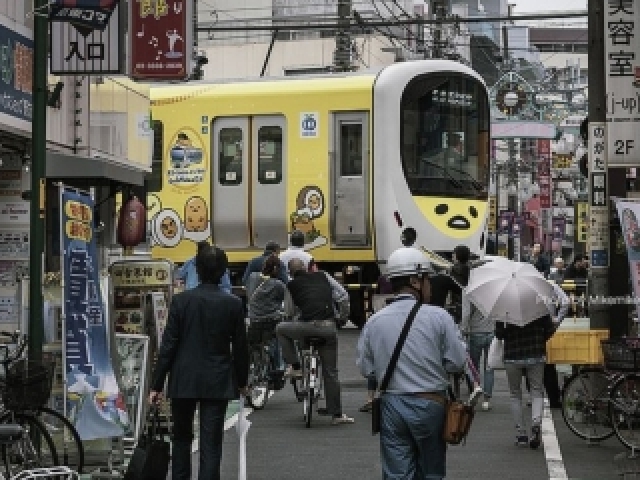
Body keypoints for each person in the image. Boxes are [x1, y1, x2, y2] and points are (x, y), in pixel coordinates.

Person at [356, 246, 467, 479]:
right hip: (430, 404)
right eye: (428, 279)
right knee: (431, 472)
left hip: (391, 405)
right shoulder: (439, 317)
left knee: (397, 474)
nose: (430, 286)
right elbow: (457, 362)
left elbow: (367, 369)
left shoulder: (375, 321)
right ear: (416, 281)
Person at [149, 245, 249, 480]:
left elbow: (169, 346)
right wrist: (242, 381)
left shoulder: (181, 302)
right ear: (224, 271)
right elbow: (241, 349)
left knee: (181, 438)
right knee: (211, 442)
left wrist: (156, 384)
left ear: (197, 269)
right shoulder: (233, 304)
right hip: (217, 378)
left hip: (184, 378)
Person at [276, 258, 354, 425]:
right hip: (328, 327)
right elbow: (343, 296)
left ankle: (296, 367)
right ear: (306, 268)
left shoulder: (291, 285)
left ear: (290, 273)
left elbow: (289, 311)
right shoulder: (323, 276)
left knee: (281, 329)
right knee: (331, 372)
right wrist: (342, 318)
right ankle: (337, 414)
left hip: (305, 328)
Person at [494, 312, 555, 449]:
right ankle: (535, 424)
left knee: (515, 394)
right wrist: (539, 339)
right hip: (535, 352)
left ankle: (521, 434)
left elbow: (498, 334)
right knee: (536, 391)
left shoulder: (504, 307)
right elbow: (550, 330)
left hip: (513, 355)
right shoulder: (538, 305)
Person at [246, 253, 288, 371]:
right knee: (276, 339)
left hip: (253, 319)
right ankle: (278, 366)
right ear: (276, 269)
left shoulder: (252, 277)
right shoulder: (278, 284)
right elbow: (284, 300)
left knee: (253, 342)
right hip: (271, 319)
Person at [460, 291, 496, 411]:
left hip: (475, 333)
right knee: (489, 367)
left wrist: (463, 330)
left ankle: (476, 387)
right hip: (491, 331)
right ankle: (486, 400)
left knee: (473, 366)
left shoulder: (468, 290)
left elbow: (466, 313)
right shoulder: (493, 289)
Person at [542, 281, 571, 409]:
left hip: (529, 330)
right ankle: (554, 398)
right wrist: (557, 319)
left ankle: (535, 396)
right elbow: (566, 301)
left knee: (532, 367)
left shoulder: (523, 287)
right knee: (548, 365)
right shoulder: (550, 285)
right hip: (548, 328)